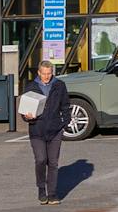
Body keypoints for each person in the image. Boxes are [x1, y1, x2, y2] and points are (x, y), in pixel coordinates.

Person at [22, 60, 71, 205]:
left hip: (55, 130)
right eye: (44, 74)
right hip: (37, 129)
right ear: (39, 72)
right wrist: (27, 117)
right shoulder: (31, 87)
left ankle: (53, 193)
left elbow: (65, 105)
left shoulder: (59, 85)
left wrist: (64, 123)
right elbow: (24, 110)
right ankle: (41, 189)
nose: (46, 77)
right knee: (41, 160)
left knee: (53, 163)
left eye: (49, 74)